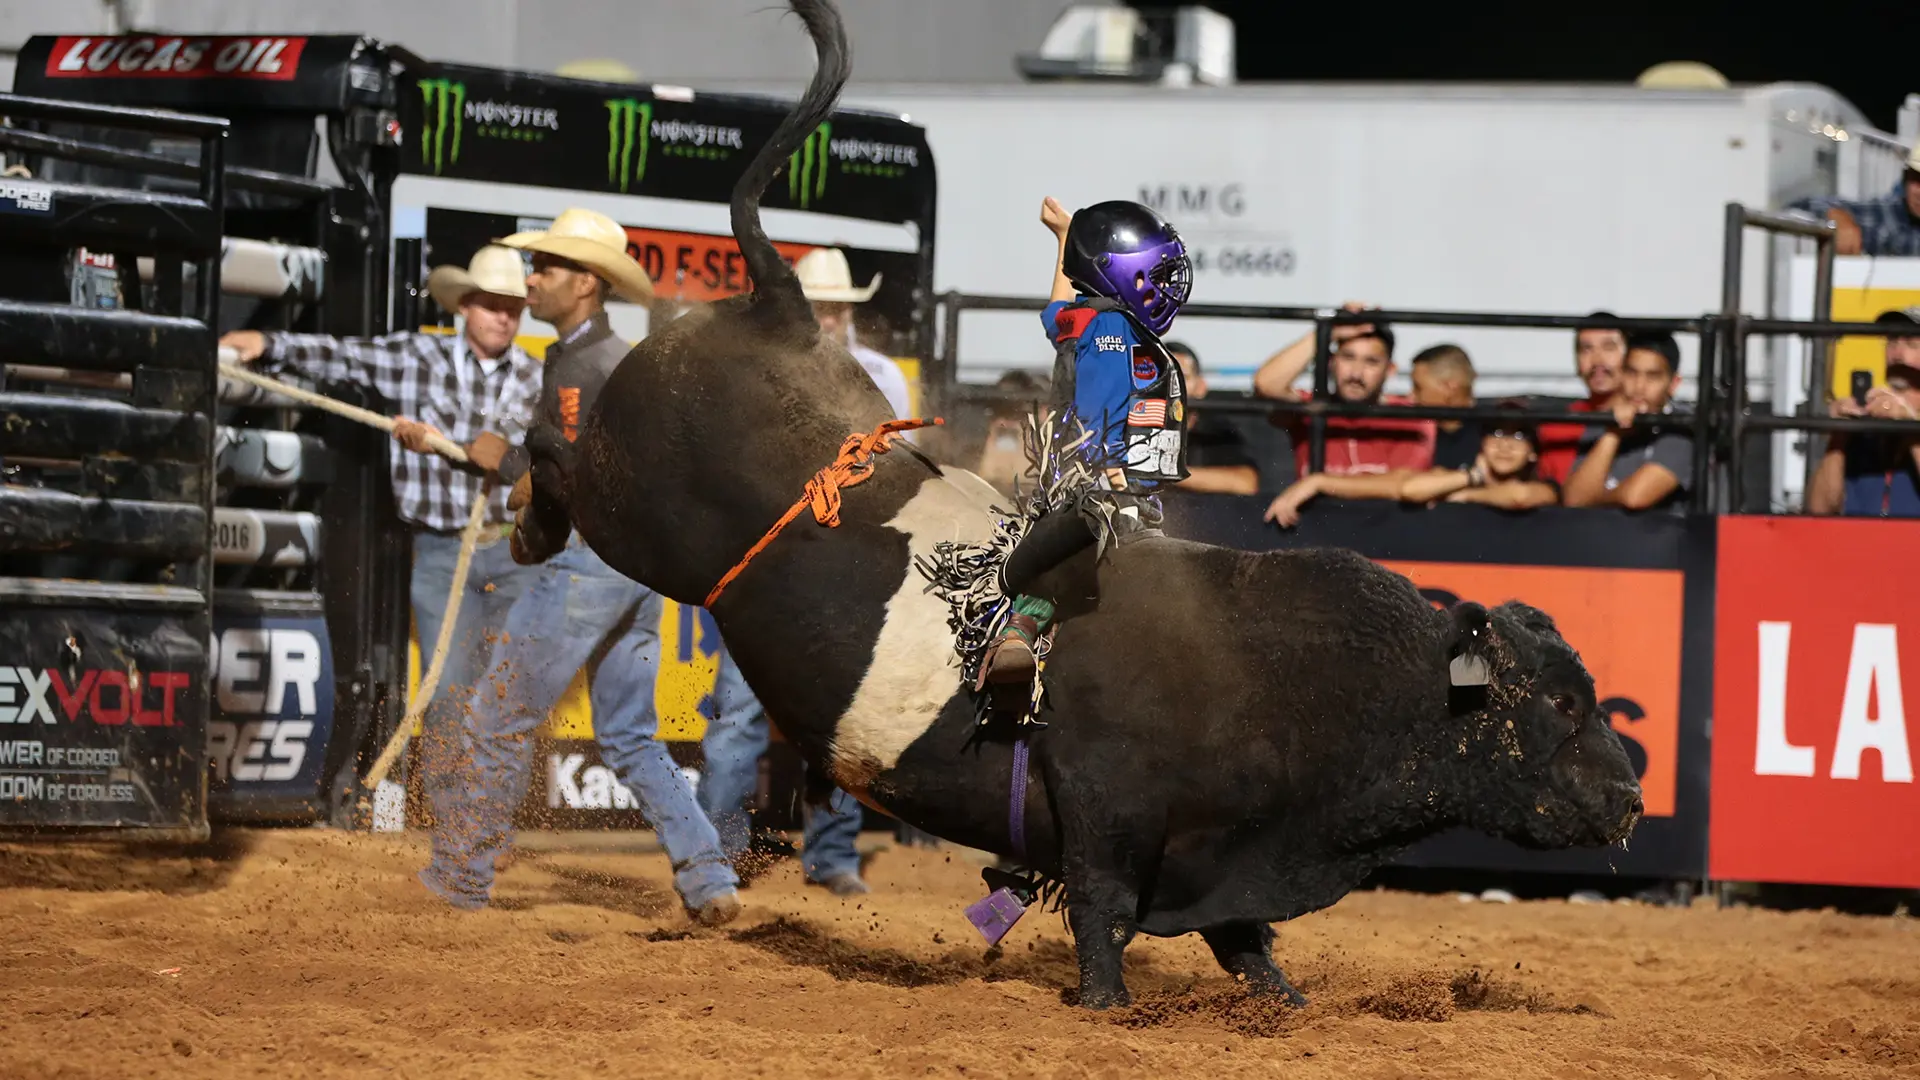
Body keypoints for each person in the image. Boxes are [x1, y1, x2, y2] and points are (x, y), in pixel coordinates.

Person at [419, 207, 745, 926]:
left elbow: (575, 472)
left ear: (586, 285)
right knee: (628, 733)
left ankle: (460, 877)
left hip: (590, 565)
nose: (532, 280)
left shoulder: (588, 366)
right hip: (631, 566)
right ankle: (707, 873)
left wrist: (503, 461)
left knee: (495, 717)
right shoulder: (602, 358)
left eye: (548, 269)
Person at [218, 246, 544, 864]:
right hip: (444, 549)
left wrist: (509, 459)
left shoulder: (536, 378)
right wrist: (269, 342)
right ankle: (457, 828)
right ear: (465, 306)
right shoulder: (414, 357)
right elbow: (342, 354)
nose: (504, 318)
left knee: (509, 693)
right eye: (493, 306)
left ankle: (494, 830)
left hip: (511, 552)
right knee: (450, 690)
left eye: (513, 309)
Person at [980, 194, 1193, 686]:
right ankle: (1017, 635)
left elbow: (1057, 307)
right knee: (1070, 563)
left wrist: (1064, 238)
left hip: (1106, 485)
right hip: (1097, 489)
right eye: (1156, 277)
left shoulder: (1088, 320)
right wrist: (1100, 470)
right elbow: (1097, 412)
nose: (1166, 289)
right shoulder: (1115, 331)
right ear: (1123, 274)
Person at [1265, 405, 1559, 526]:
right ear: (1481, 442)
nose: (1505, 445)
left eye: (1517, 436)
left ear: (1533, 452)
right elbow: (1407, 487)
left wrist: (1466, 496)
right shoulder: (1455, 477)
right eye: (1497, 433)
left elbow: (1519, 497)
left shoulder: (1545, 487)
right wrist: (1316, 481)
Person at [1561, 331, 1694, 514]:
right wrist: (1612, 434)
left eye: (1652, 376)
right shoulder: (1604, 421)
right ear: (1621, 374)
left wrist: (1593, 500)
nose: (1639, 387)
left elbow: (1636, 497)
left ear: (1673, 384)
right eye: (1632, 373)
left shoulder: (1682, 425)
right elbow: (1574, 501)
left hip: (1663, 540)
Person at [1806, 307, 1920, 516]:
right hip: (1858, 545)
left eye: (1912, 343)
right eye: (1892, 341)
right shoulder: (1866, 427)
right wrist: (1838, 436)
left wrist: (1912, 429)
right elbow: (1819, 510)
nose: (1897, 354)